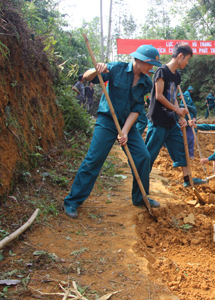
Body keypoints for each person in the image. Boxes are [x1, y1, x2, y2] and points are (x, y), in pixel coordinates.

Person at [63, 45, 162, 219]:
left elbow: (137, 109)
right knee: (94, 158)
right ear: (138, 60)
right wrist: (96, 69)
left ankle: (140, 197)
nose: (151, 68)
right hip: (107, 121)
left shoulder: (146, 82)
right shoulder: (116, 68)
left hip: (127, 124)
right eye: (149, 64)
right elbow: (87, 77)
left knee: (143, 156)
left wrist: (124, 131)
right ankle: (73, 201)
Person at [144, 42, 205, 187]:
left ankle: (187, 180)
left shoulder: (177, 76)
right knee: (150, 154)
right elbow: (159, 96)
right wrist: (176, 110)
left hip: (171, 122)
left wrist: (180, 116)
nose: (187, 62)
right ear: (180, 56)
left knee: (182, 149)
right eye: (187, 59)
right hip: (158, 121)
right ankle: (141, 181)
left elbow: (173, 99)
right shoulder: (161, 71)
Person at [136, 69, 155, 136]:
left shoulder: (147, 81)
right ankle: (135, 137)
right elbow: (147, 96)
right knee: (143, 121)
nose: (149, 75)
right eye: (148, 73)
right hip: (136, 105)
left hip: (139, 104)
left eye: (150, 74)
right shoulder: (143, 80)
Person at [178, 92, 197, 159]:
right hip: (179, 127)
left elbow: (194, 110)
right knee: (180, 141)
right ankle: (182, 155)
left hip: (188, 126)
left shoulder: (183, 106)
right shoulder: (171, 111)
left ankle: (191, 155)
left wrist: (194, 118)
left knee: (190, 140)